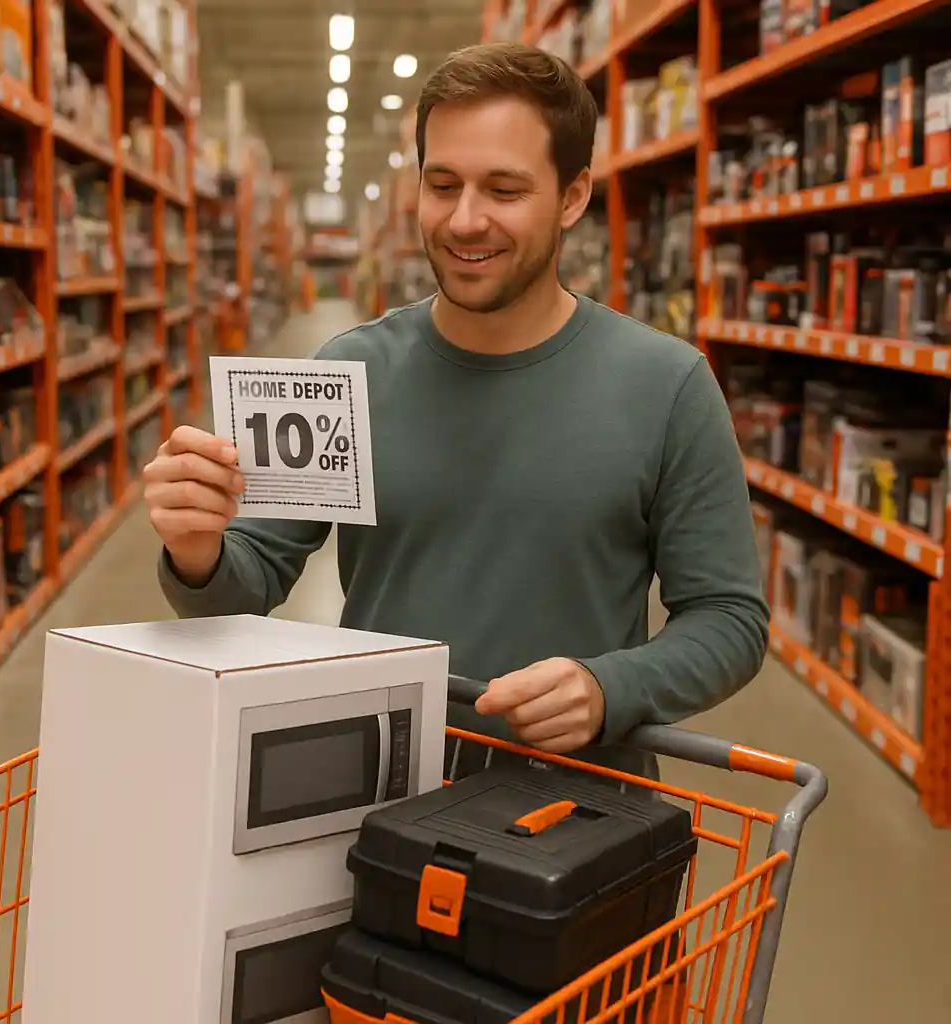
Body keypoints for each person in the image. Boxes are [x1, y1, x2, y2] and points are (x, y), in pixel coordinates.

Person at [144, 42, 769, 777]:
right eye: (442, 185)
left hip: (577, 821)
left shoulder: (666, 385)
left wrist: (612, 688)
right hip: (380, 792)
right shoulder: (352, 372)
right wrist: (196, 547)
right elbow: (250, 579)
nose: (465, 220)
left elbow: (730, 619)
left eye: (504, 191)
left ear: (573, 196)